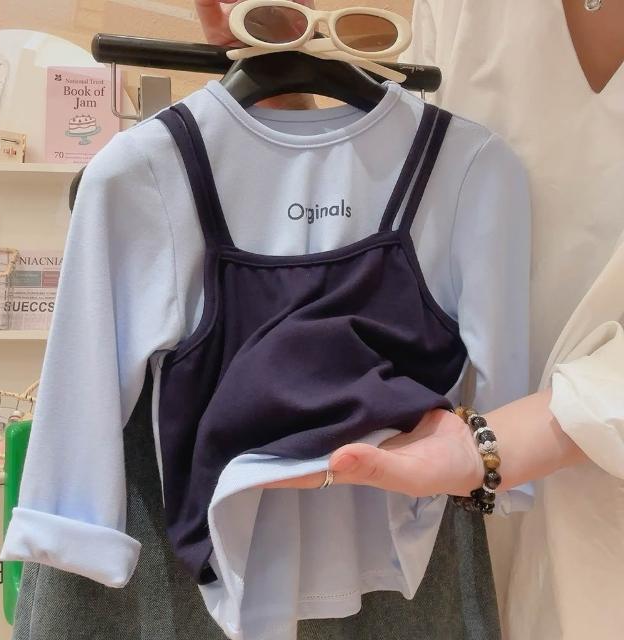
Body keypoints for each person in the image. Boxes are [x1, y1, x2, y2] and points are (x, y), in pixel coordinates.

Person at [195, 1, 624, 638]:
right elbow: (409, 216)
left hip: (503, 477)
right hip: (442, 506)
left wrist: (500, 443)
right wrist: (286, 96)